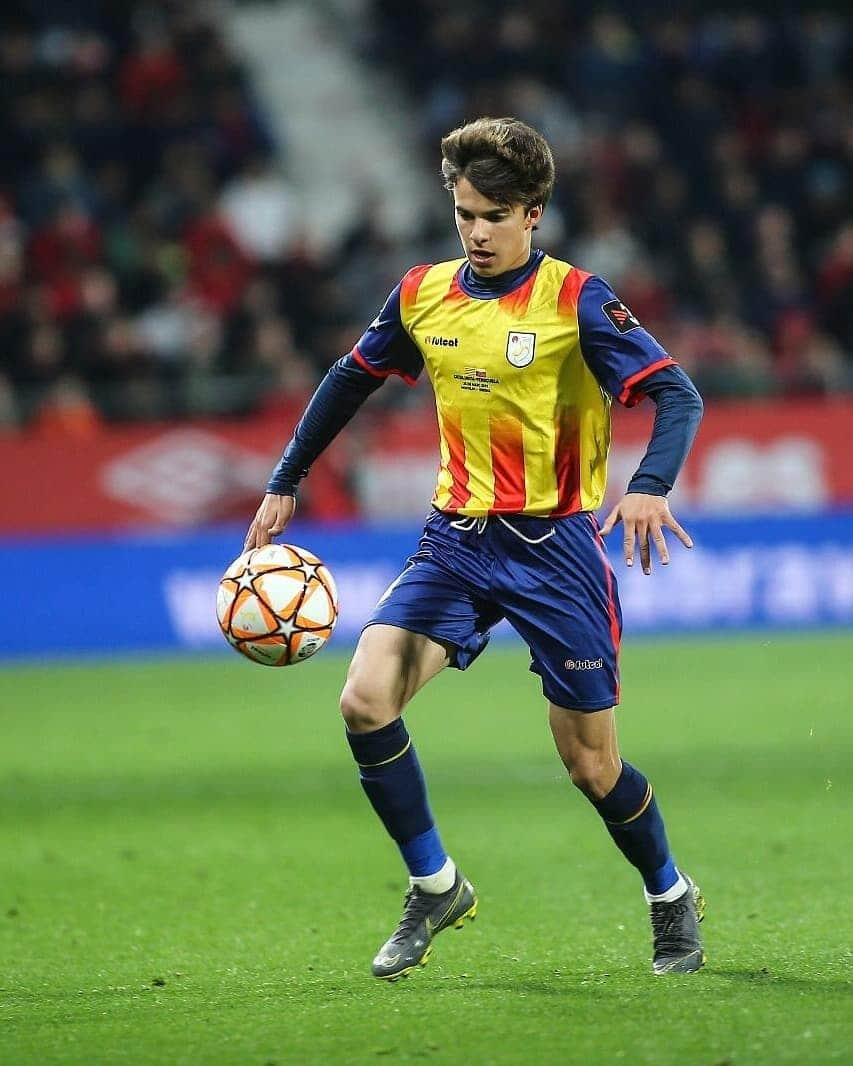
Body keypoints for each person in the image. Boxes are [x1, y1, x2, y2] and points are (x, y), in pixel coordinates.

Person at [244, 117, 706, 980]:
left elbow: (676, 396)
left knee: (589, 763)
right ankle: (435, 885)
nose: (477, 232)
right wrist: (286, 477)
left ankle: (668, 894)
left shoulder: (577, 300)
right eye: (464, 214)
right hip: (454, 539)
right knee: (363, 700)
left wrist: (648, 488)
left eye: (495, 215)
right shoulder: (422, 292)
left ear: (534, 214)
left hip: (554, 549)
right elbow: (351, 377)